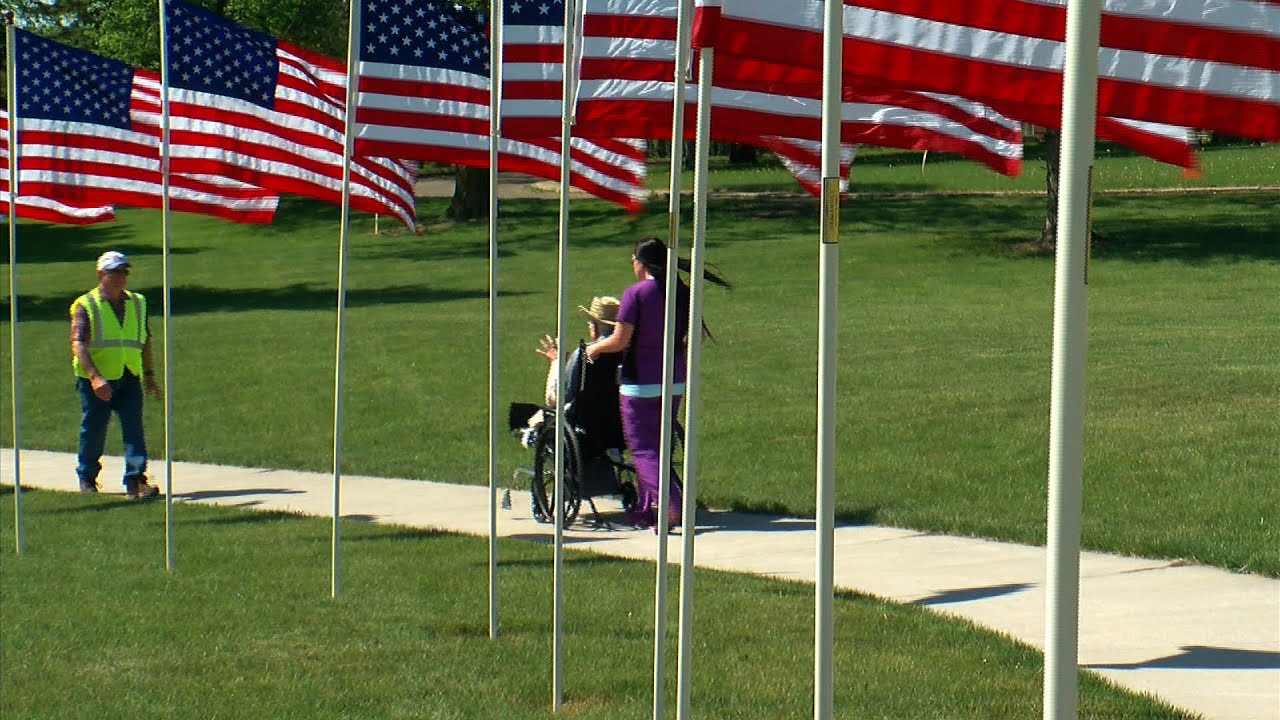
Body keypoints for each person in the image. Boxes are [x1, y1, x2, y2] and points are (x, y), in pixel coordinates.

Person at [585, 237, 730, 528]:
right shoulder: (682, 293)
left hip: (639, 382)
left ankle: (671, 505)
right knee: (660, 447)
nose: (632, 266)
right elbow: (698, 336)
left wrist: (594, 349)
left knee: (643, 450)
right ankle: (646, 508)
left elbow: (620, 339)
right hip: (674, 379)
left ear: (642, 263)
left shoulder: (635, 294)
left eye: (633, 260)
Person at [70, 251, 161, 499]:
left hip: (129, 375)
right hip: (97, 379)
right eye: (115, 272)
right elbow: (78, 344)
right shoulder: (86, 304)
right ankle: (87, 478)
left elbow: (145, 341)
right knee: (94, 429)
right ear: (101, 275)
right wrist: (95, 378)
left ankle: (136, 480)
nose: (122, 277)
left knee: (134, 428)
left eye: (124, 272)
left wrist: (150, 375)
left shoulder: (138, 302)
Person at [527, 296, 625, 451]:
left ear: (594, 327)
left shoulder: (584, 353)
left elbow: (558, 397)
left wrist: (556, 363)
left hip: (584, 424)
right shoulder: (628, 353)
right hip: (619, 422)